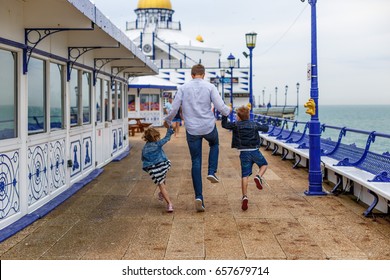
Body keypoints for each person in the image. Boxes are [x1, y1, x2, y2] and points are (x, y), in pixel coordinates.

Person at [164, 64, 231, 212]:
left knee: (196, 161)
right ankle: (211, 171)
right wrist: (228, 111)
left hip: (192, 129)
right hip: (208, 126)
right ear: (204, 74)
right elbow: (220, 107)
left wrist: (168, 121)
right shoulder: (210, 87)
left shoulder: (183, 88)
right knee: (214, 144)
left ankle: (199, 197)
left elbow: (174, 108)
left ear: (192, 75)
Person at [221, 105, 269, 211]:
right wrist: (263, 121)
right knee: (264, 164)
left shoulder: (236, 125)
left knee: (245, 175)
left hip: (244, 153)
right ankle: (258, 176)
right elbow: (266, 128)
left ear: (238, 117)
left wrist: (225, 113)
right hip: (255, 151)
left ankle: (245, 196)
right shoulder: (254, 124)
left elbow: (224, 124)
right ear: (248, 115)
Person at [141, 127, 175, 213]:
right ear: (155, 137)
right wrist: (170, 131)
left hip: (154, 169)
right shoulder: (157, 144)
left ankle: (163, 195)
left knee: (161, 183)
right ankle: (169, 203)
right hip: (163, 165)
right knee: (162, 182)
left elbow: (143, 158)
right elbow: (167, 138)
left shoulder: (144, 149)